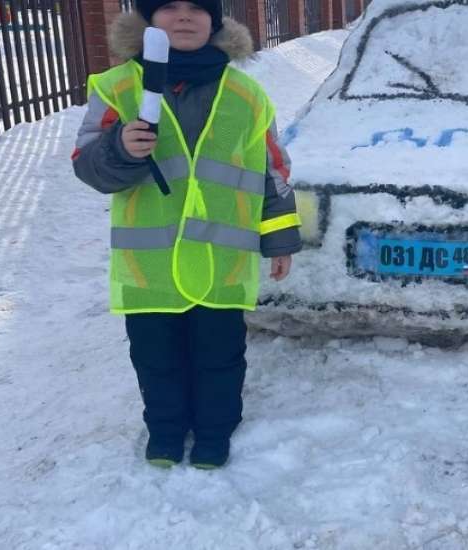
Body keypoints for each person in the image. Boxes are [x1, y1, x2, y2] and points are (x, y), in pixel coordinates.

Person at [72, 1, 301, 469]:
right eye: (168, 7)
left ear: (215, 20)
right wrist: (120, 149)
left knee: (220, 356)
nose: (183, 17)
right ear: (147, 20)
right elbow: (88, 166)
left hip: (222, 261)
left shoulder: (246, 94)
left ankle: (216, 432)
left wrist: (278, 239)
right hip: (149, 266)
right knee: (157, 359)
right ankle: (166, 431)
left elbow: (271, 171)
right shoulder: (119, 89)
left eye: (197, 8)